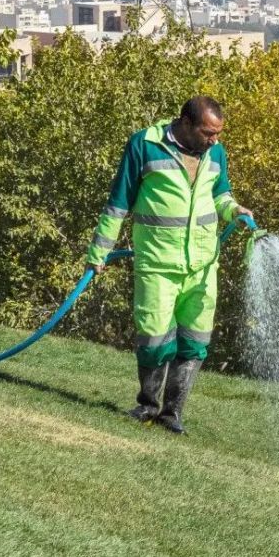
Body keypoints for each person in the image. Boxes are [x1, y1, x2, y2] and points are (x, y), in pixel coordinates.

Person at [86, 96, 252, 434]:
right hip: (158, 263)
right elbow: (119, 203)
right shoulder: (144, 146)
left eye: (218, 133)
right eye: (208, 133)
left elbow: (220, 195)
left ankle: (173, 413)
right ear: (187, 124)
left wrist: (235, 210)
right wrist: (99, 252)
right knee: (154, 338)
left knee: (194, 341)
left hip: (203, 266)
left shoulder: (215, 153)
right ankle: (148, 405)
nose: (214, 140)